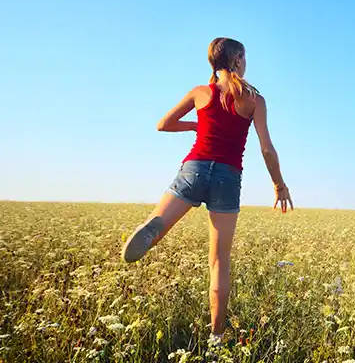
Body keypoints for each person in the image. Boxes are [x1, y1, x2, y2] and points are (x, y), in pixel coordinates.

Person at [120, 37, 293, 342]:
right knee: (219, 262)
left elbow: (163, 124)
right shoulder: (254, 99)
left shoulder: (200, 93)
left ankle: (154, 228)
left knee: (160, 220)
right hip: (227, 177)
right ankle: (216, 335)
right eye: (245, 57)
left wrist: (196, 125)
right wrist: (279, 185)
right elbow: (267, 149)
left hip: (194, 168)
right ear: (238, 59)